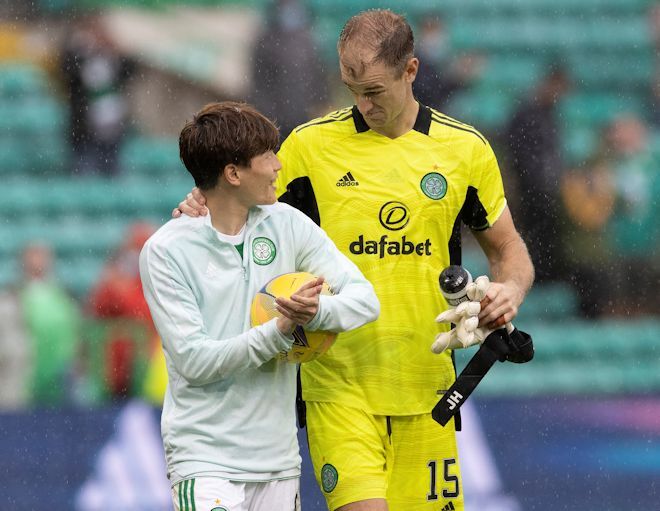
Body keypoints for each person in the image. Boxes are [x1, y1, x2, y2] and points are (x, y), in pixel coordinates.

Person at [174, 10, 534, 511]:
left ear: (411, 70)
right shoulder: (309, 147)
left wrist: (509, 290)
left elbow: (509, 249)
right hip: (337, 386)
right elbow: (237, 203)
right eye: (352, 89)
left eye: (374, 91)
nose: (363, 104)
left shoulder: (464, 150)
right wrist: (202, 202)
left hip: (428, 388)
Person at [140, 101, 379, 510]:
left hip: (278, 464)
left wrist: (315, 313)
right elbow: (194, 361)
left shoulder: (288, 223)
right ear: (233, 174)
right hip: (205, 462)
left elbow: (365, 301)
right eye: (267, 155)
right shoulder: (166, 251)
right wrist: (279, 331)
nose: (278, 165)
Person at [503, 66, 571, 282]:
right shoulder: (527, 113)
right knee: (533, 237)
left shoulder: (549, 114)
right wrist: (535, 179)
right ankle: (535, 279)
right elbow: (518, 152)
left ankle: (546, 278)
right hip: (530, 189)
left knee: (547, 238)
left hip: (545, 189)